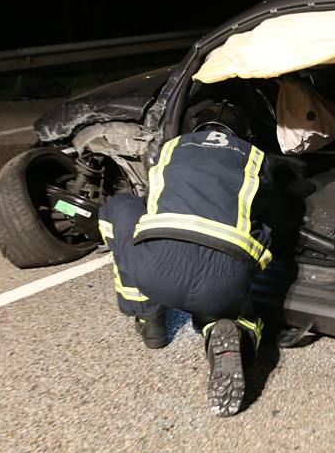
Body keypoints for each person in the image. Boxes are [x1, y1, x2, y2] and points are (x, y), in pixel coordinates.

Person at [97, 102, 272, 417]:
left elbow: (154, 196)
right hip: (222, 281)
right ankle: (234, 329)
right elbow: (269, 207)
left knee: (121, 207)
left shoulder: (171, 148)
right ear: (245, 133)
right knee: (255, 239)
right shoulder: (255, 157)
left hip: (155, 273)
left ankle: (148, 321)